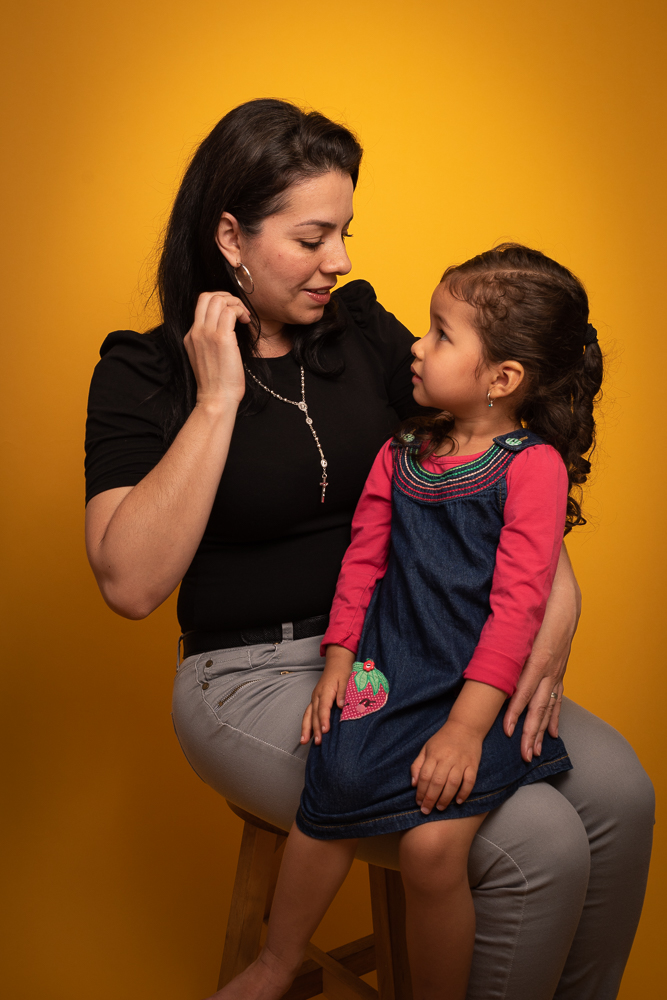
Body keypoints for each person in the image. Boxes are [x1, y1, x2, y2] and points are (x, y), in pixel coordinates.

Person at [84, 100, 654, 1000]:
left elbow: (492, 455)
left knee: (620, 793)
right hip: (254, 676)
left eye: (344, 231)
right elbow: (130, 583)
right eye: (312, 238)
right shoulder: (143, 372)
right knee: (535, 841)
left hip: (422, 647)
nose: (340, 260)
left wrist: (558, 605)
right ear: (231, 238)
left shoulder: (359, 329)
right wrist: (218, 398)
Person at [215, 244, 605, 1000]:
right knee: (332, 781)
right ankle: (275, 961)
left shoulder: (532, 468)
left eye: (440, 334)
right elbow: (362, 560)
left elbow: (518, 609)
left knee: (431, 852)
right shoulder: (401, 451)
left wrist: (465, 729)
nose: (417, 348)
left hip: (476, 690)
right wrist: (338, 658)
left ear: (501, 380)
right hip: (389, 668)